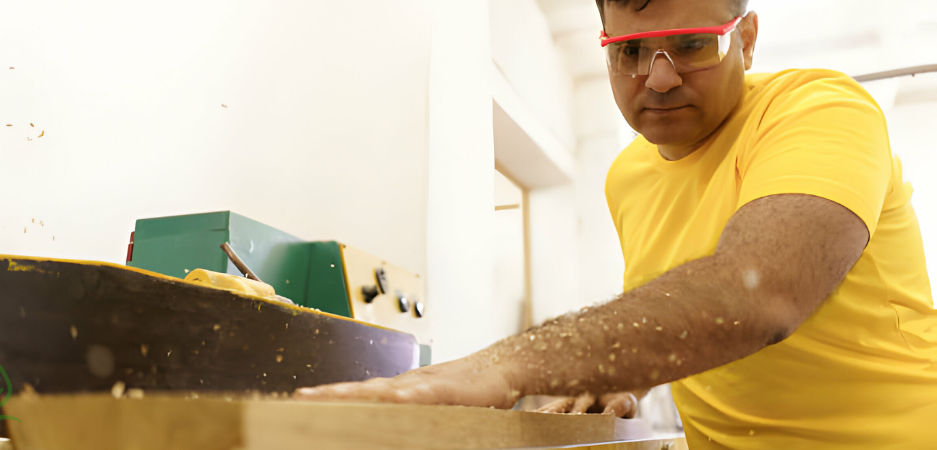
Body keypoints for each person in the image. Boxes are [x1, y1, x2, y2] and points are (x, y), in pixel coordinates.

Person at [296, 0, 937, 447]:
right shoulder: (627, 175)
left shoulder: (821, 110)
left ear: (745, 38)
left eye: (692, 45)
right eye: (629, 51)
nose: (657, 79)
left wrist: (506, 365)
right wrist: (618, 374)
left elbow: (758, 294)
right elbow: (696, 313)